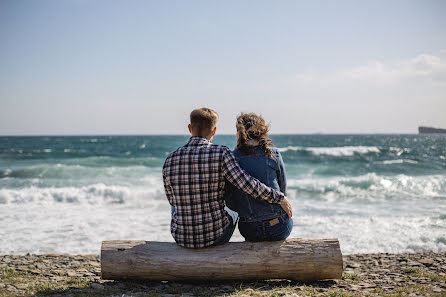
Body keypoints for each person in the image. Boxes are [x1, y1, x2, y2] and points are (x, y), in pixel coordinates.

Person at [162, 107, 292, 248]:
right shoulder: (221, 153)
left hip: (182, 238)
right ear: (214, 131)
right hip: (216, 236)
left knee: (177, 204)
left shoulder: (170, 159)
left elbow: (172, 201)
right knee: (231, 209)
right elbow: (248, 184)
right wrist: (280, 198)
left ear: (189, 128)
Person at [224, 112, 293, 242]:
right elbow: (282, 190)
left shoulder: (232, 158)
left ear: (239, 133)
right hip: (279, 226)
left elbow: (230, 200)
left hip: (249, 229)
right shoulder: (274, 154)